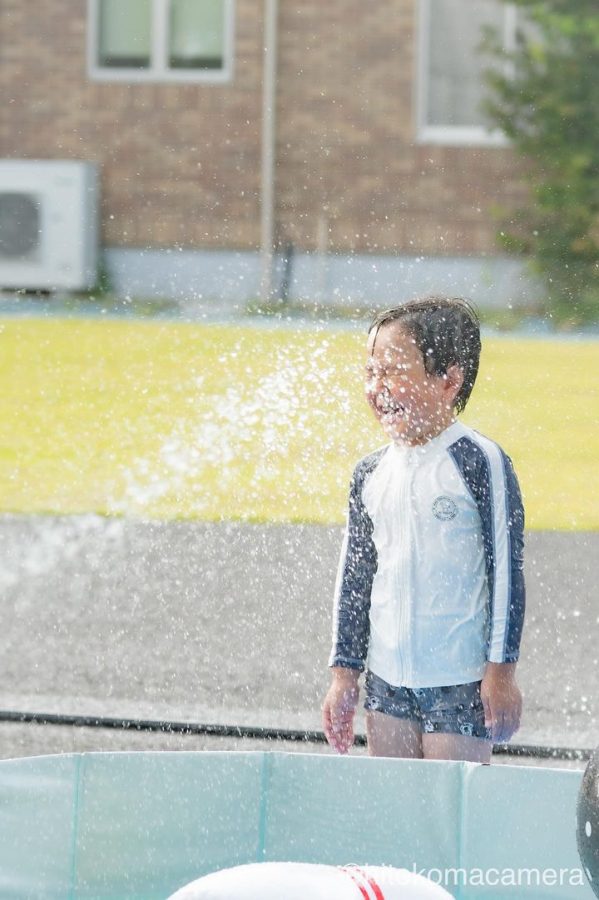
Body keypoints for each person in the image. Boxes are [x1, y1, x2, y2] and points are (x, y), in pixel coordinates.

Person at [322, 297, 525, 763]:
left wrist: (501, 673)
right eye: (370, 372)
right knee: (397, 819)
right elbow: (354, 578)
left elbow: (507, 576)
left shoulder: (480, 461)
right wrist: (344, 677)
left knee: (451, 821)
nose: (378, 387)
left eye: (392, 370)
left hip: (460, 681)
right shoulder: (369, 473)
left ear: (448, 380)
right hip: (387, 682)